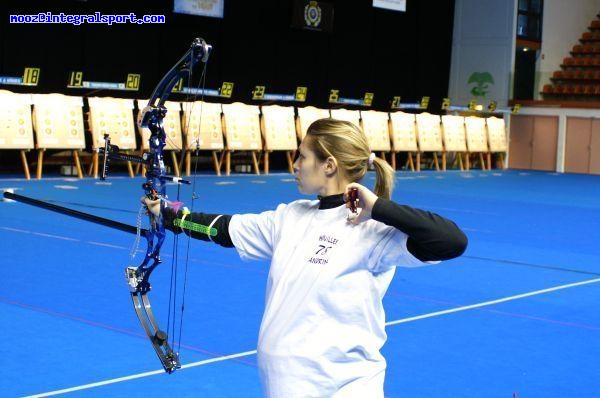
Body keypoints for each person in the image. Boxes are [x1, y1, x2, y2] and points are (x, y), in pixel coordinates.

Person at [144, 118, 468, 397]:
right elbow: (225, 229)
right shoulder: (291, 217)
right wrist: (171, 215)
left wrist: (378, 207)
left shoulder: (373, 230)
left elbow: (451, 241)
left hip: (349, 384)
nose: (295, 165)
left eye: (303, 156)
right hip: (289, 382)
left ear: (329, 165)